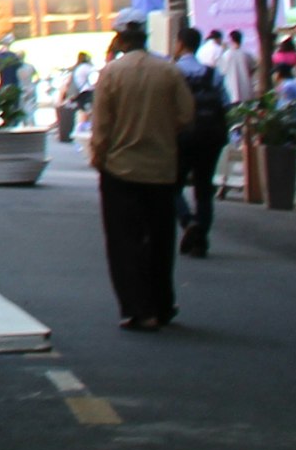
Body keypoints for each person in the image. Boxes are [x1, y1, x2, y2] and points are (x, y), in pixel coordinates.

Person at [88, 17, 193, 329]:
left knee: (124, 242)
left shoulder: (111, 74)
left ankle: (137, 308)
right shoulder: (168, 71)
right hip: (160, 168)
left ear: (121, 42)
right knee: (160, 240)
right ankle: (161, 303)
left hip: (121, 169)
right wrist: (162, 134)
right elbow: (186, 114)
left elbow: (102, 127)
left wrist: (99, 157)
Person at [172, 23, 230, 256]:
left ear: (180, 44)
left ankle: (188, 222)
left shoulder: (172, 72)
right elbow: (225, 103)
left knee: (173, 185)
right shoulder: (212, 73)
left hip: (182, 136)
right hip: (210, 136)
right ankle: (201, 237)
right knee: (204, 188)